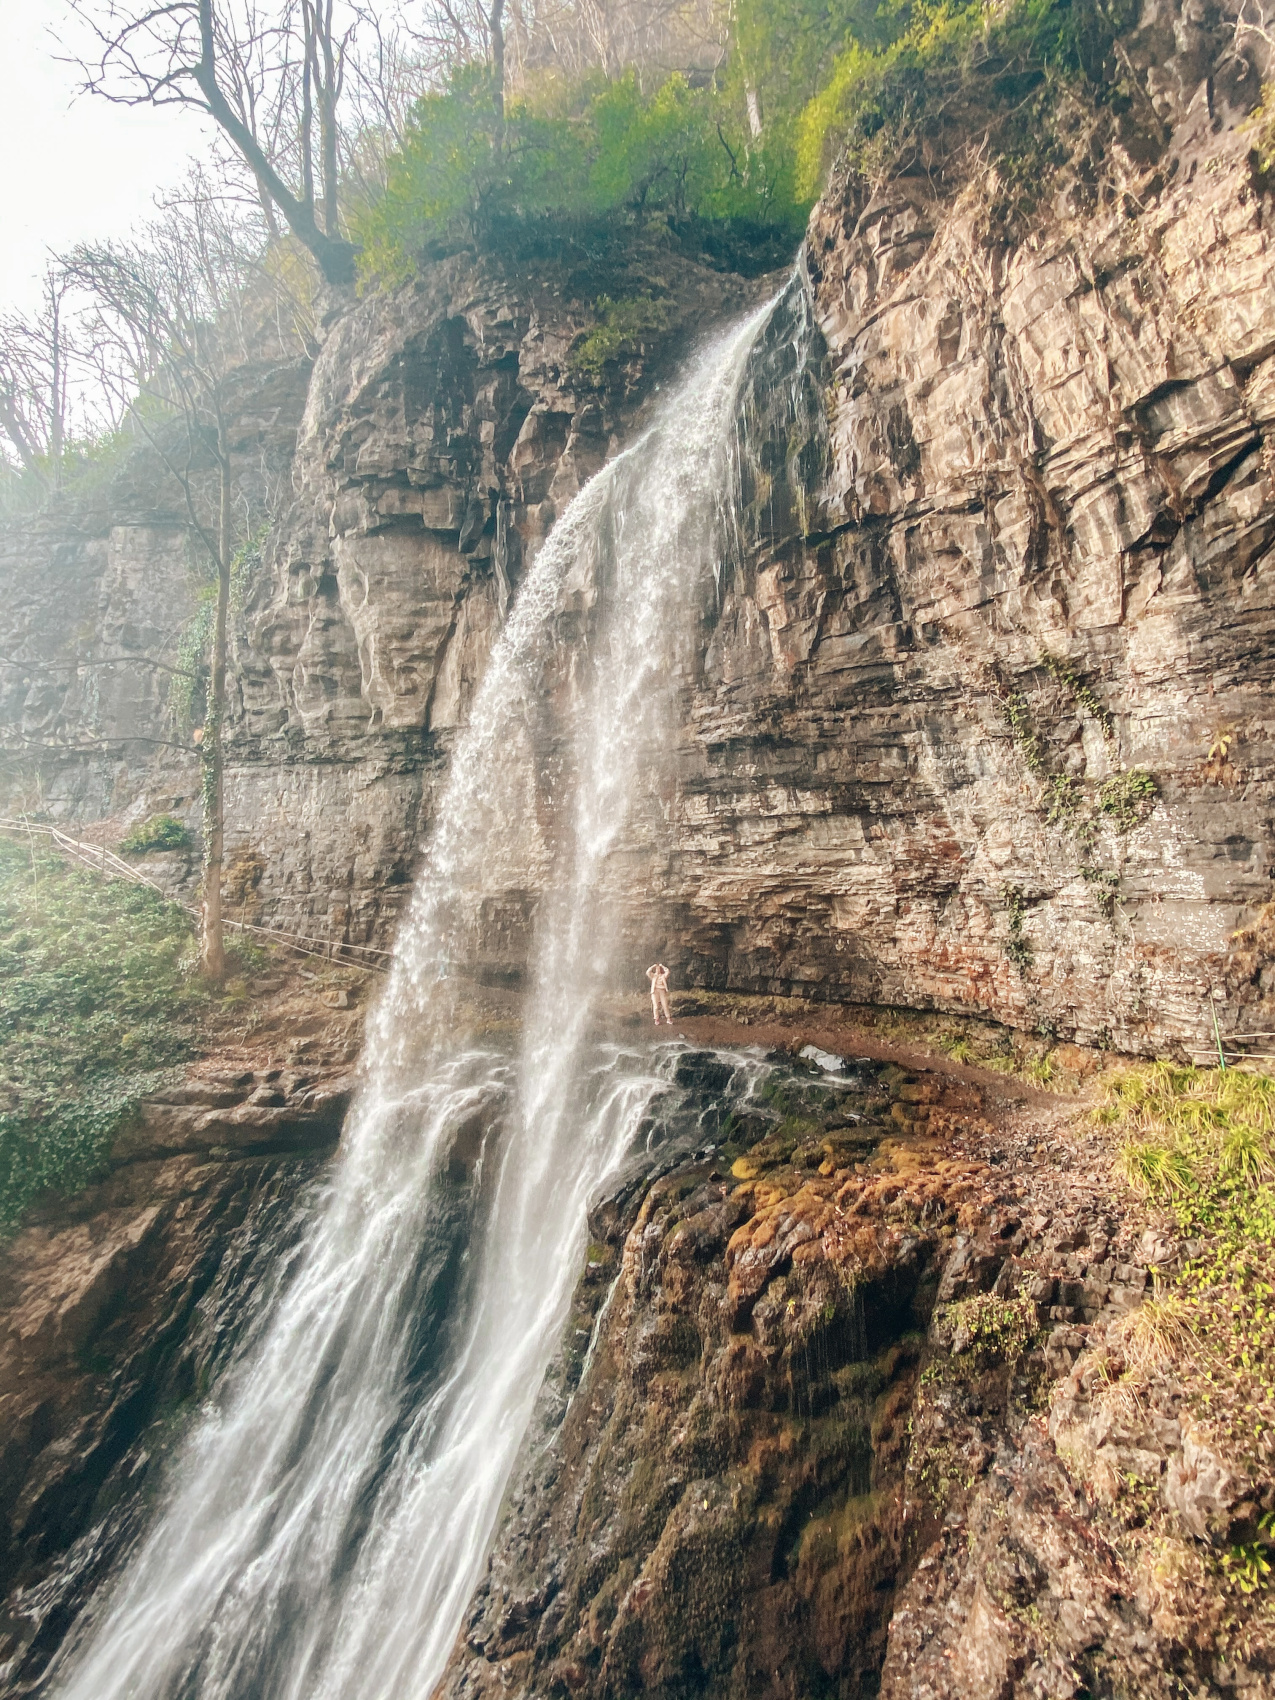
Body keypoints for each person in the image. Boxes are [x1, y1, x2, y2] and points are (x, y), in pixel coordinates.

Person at [646, 961, 672, 1026]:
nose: (658, 970)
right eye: (657, 969)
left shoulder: (663, 976)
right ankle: (656, 1019)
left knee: (665, 1005)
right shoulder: (653, 976)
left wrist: (662, 966)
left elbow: (668, 971)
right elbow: (648, 972)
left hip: (662, 991)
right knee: (656, 1006)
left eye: (659, 969)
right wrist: (653, 966)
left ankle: (668, 1018)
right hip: (655, 992)